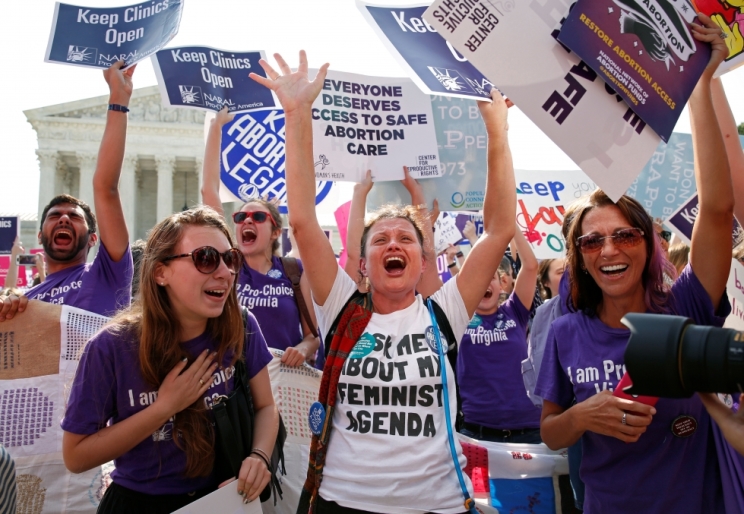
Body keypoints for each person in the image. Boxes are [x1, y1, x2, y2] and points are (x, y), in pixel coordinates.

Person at [251, 50, 516, 514]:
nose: (393, 244)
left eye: (405, 239)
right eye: (381, 240)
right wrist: (298, 116)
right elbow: (304, 222)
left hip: (438, 504)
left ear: (421, 258)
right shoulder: (340, 307)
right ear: (364, 263)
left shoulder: (445, 311)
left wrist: (497, 132)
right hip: (343, 502)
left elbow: (498, 230)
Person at [535, 19, 734, 513]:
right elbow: (551, 431)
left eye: (625, 235)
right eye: (592, 241)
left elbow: (716, 212)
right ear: (578, 257)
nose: (609, 251)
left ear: (648, 244)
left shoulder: (687, 305)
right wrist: (584, 414)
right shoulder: (566, 332)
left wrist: (698, 87)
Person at [61, 206, 278, 513]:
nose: (225, 272)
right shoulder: (110, 347)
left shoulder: (242, 326)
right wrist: (164, 408)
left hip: (222, 500)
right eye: (206, 258)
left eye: (230, 259)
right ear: (161, 272)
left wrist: (259, 456)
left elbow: (266, 407)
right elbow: (75, 456)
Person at [0, 61, 134, 320]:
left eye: (74, 217)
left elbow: (105, 188)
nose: (64, 218)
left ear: (93, 239)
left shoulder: (107, 275)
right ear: (40, 236)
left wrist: (118, 99)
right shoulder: (24, 303)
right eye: (54, 216)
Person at [202, 107, 319, 367]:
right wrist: (216, 127)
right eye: (241, 218)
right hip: (234, 382)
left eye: (257, 218)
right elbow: (208, 191)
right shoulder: (226, 268)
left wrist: (302, 348)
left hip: (282, 382)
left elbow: (313, 337)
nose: (247, 221)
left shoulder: (294, 272)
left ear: (276, 232)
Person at [459, 225, 541, 443]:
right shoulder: (457, 316)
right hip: (478, 433)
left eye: (491, 276)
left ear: (502, 284)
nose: (485, 281)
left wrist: (509, 225)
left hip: (530, 429)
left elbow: (531, 266)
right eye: (478, 277)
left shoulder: (515, 310)